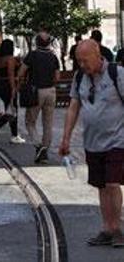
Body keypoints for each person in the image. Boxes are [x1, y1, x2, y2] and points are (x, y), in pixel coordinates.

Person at [59, 40, 124, 248]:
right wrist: (66, 137)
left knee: (113, 183)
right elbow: (73, 107)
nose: (82, 65)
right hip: (92, 142)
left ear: (98, 55)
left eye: (85, 60)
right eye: (78, 61)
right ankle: (107, 228)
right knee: (101, 185)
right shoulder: (80, 77)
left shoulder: (117, 74)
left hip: (117, 140)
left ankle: (117, 228)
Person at [20, 32, 60, 164]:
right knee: (48, 123)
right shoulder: (53, 57)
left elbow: (21, 72)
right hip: (51, 91)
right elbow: (57, 77)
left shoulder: (32, 55)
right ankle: (45, 150)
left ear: (36, 42)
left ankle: (39, 146)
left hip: (36, 91)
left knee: (30, 121)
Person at [0, 39, 26, 144]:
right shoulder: (10, 59)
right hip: (8, 86)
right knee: (12, 111)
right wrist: (13, 89)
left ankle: (14, 135)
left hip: (0, 85)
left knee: (11, 109)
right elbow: (11, 75)